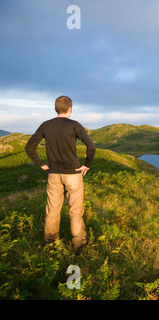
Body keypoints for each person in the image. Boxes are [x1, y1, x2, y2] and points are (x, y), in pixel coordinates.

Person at [25, 96, 96, 255]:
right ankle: (79, 245)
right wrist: (87, 165)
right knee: (75, 212)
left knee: (52, 211)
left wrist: (41, 164)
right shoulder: (74, 125)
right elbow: (91, 147)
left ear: (55, 108)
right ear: (70, 109)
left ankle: (50, 245)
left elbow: (29, 147)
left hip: (54, 174)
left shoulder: (46, 125)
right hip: (73, 174)